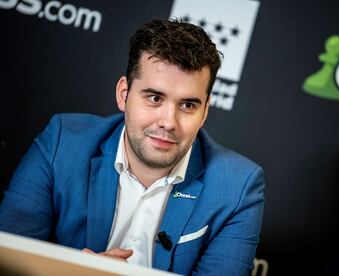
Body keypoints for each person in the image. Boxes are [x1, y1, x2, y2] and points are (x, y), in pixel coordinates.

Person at [0, 19, 265, 275]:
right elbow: (8, 260)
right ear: (124, 94)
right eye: (154, 98)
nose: (168, 122)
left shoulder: (238, 187)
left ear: (205, 111)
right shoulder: (62, 143)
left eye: (188, 105)